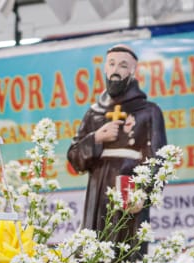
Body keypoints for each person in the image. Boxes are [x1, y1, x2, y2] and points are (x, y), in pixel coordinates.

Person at [67, 44, 166, 246]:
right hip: (98, 191)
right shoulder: (94, 113)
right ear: (104, 68)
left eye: (122, 65)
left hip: (128, 189)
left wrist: (143, 193)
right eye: (111, 64)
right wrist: (96, 138)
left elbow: (159, 159)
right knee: (94, 250)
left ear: (132, 70)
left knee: (126, 249)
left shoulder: (148, 111)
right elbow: (74, 157)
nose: (115, 70)